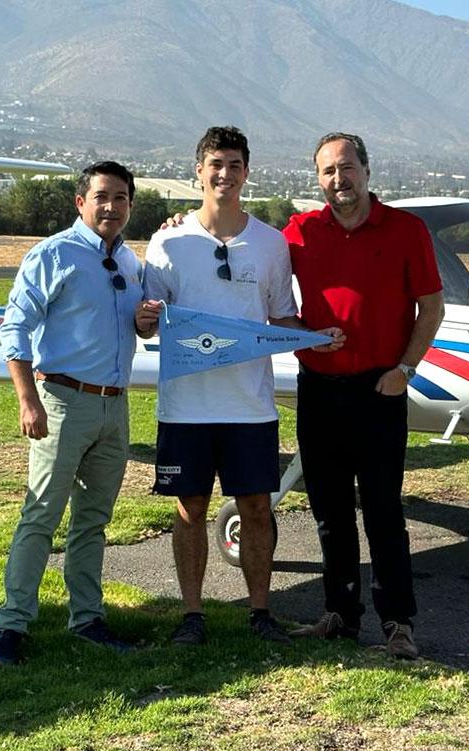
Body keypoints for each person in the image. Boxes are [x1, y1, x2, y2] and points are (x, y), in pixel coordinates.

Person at [141, 125, 342, 647]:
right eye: (215, 164)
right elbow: (148, 319)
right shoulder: (167, 241)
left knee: (256, 508)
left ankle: (260, 612)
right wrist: (144, 320)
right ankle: (192, 615)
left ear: (246, 172)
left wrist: (318, 339)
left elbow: (282, 318)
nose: (224, 174)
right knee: (190, 509)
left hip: (250, 407)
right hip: (184, 405)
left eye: (234, 165)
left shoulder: (271, 244)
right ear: (198, 171)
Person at [0, 161, 161, 666]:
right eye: (102, 197)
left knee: (93, 521)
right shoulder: (53, 255)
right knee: (40, 517)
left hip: (114, 406)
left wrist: (145, 323)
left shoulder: (130, 263)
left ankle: (87, 619)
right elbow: (14, 329)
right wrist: (27, 399)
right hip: (61, 401)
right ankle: (11, 626)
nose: (112, 206)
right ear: (81, 202)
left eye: (121, 198)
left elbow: (137, 331)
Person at [285, 132, 445, 660]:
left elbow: (432, 308)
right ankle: (340, 615)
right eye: (328, 172)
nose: (339, 180)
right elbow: (244, 258)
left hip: (380, 387)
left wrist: (405, 368)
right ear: (319, 180)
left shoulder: (405, 230)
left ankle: (398, 624)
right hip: (318, 391)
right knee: (329, 511)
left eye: (346, 168)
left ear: (367, 170)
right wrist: (180, 223)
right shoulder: (300, 232)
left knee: (382, 511)